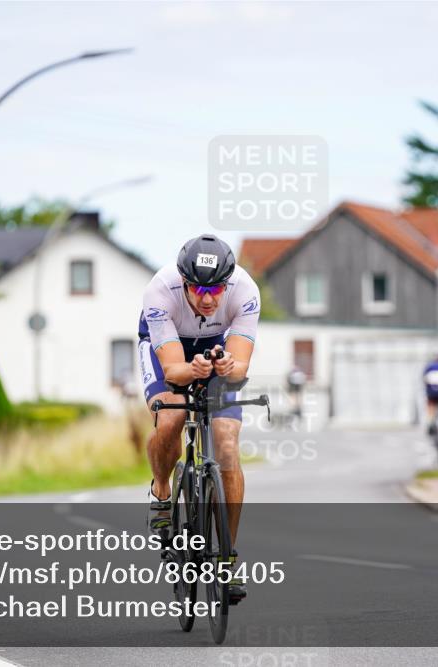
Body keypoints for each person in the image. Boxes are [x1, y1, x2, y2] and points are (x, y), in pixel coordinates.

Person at [137, 234, 260, 603]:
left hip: (215, 344)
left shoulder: (245, 291)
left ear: (228, 283)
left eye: (216, 290)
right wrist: (192, 369)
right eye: (198, 290)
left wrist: (226, 366)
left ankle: (225, 558)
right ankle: (161, 490)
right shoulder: (160, 291)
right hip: (168, 347)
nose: (207, 299)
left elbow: (239, 369)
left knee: (226, 445)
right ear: (183, 282)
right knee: (171, 417)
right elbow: (174, 371)